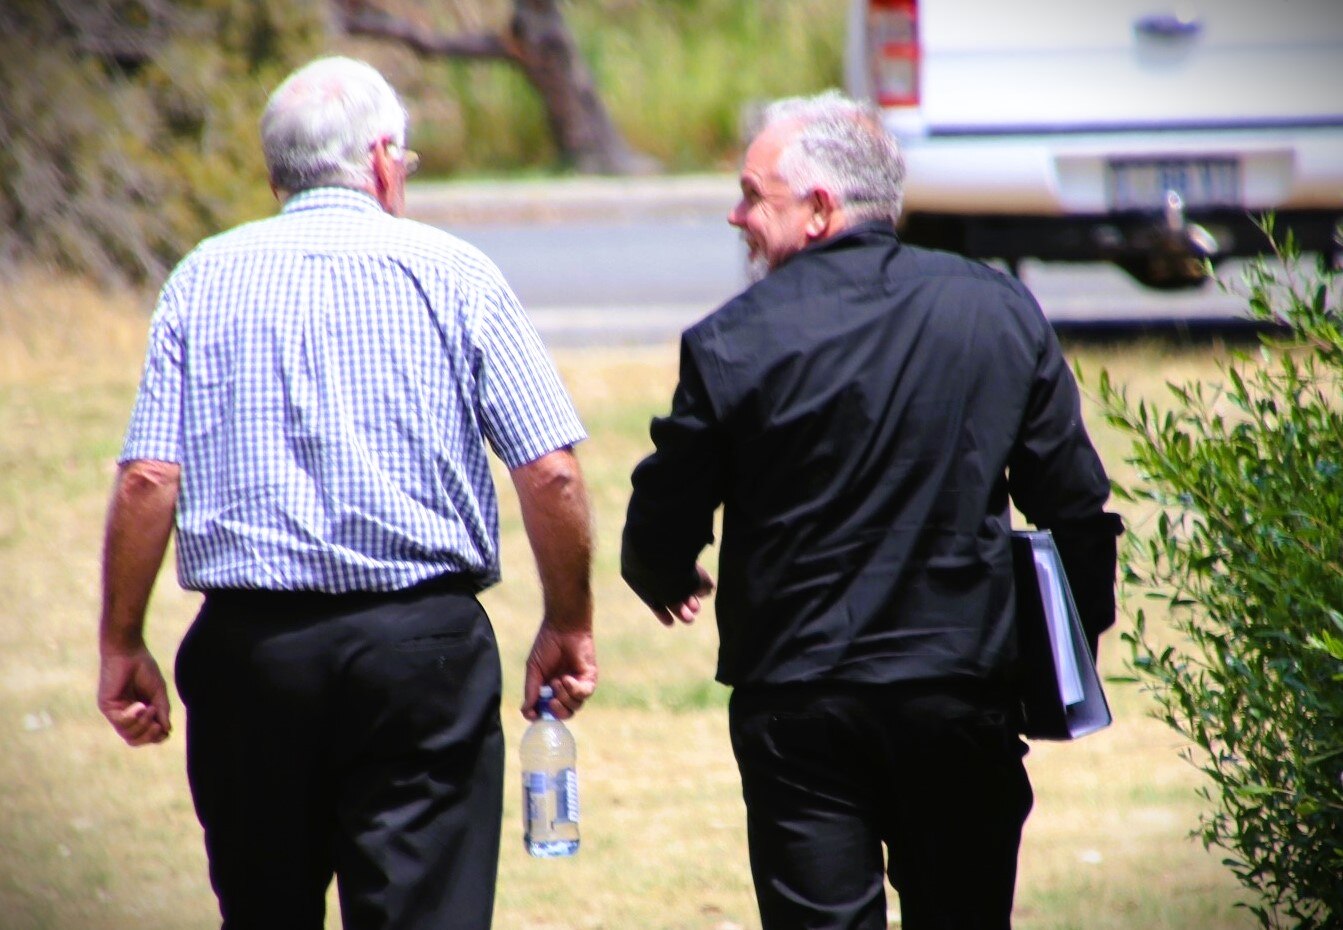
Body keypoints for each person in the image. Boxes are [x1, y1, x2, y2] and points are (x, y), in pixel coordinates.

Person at [96, 55, 597, 930]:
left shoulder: (203, 277)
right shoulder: (456, 272)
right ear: (379, 157)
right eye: (404, 158)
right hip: (421, 653)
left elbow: (148, 476)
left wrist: (122, 637)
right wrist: (567, 621)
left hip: (255, 654)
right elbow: (549, 468)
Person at [621, 90, 1123, 930]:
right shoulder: (994, 308)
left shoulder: (732, 339)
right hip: (960, 694)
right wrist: (1064, 658)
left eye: (752, 194)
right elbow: (1076, 509)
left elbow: (664, 504)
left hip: (800, 703)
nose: (736, 215)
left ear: (817, 209)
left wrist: (662, 570)